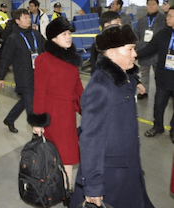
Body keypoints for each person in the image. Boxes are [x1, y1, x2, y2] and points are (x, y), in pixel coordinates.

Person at [70, 25, 154, 208]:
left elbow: (128, 80)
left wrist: (136, 80)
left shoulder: (123, 77)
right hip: (111, 175)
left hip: (129, 165)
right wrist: (92, 186)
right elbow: (91, 140)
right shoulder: (100, 88)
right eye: (130, 49)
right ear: (112, 53)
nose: (135, 54)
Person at [28, 17, 83, 189]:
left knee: (69, 154)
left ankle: (67, 190)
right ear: (53, 38)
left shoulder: (72, 59)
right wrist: (38, 122)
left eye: (69, 34)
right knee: (51, 154)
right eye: (64, 34)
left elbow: (78, 89)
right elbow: (40, 91)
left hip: (68, 114)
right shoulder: (43, 60)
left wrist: (90, 109)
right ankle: (49, 187)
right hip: (52, 115)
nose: (68, 37)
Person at [0, 8, 45, 133]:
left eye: (28, 17)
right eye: (25, 18)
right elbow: (6, 58)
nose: (28, 19)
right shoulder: (13, 38)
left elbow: (46, 50)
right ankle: (37, 138)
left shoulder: (36, 34)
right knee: (32, 108)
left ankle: (9, 119)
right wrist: (1, 76)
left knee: (24, 101)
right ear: (17, 21)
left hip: (38, 75)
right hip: (23, 77)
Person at [138, 6, 174, 143]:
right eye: (168, 15)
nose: (167, 18)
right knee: (159, 104)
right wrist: (133, 54)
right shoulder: (162, 34)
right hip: (163, 78)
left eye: (171, 16)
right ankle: (158, 126)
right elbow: (149, 49)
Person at [134, 0, 166, 100]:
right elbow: (136, 33)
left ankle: (161, 93)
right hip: (144, 50)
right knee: (144, 73)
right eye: (149, 4)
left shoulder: (163, 19)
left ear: (158, 6)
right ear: (146, 6)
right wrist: (138, 44)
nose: (151, 7)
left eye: (153, 4)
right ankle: (144, 92)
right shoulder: (142, 19)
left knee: (159, 75)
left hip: (157, 52)